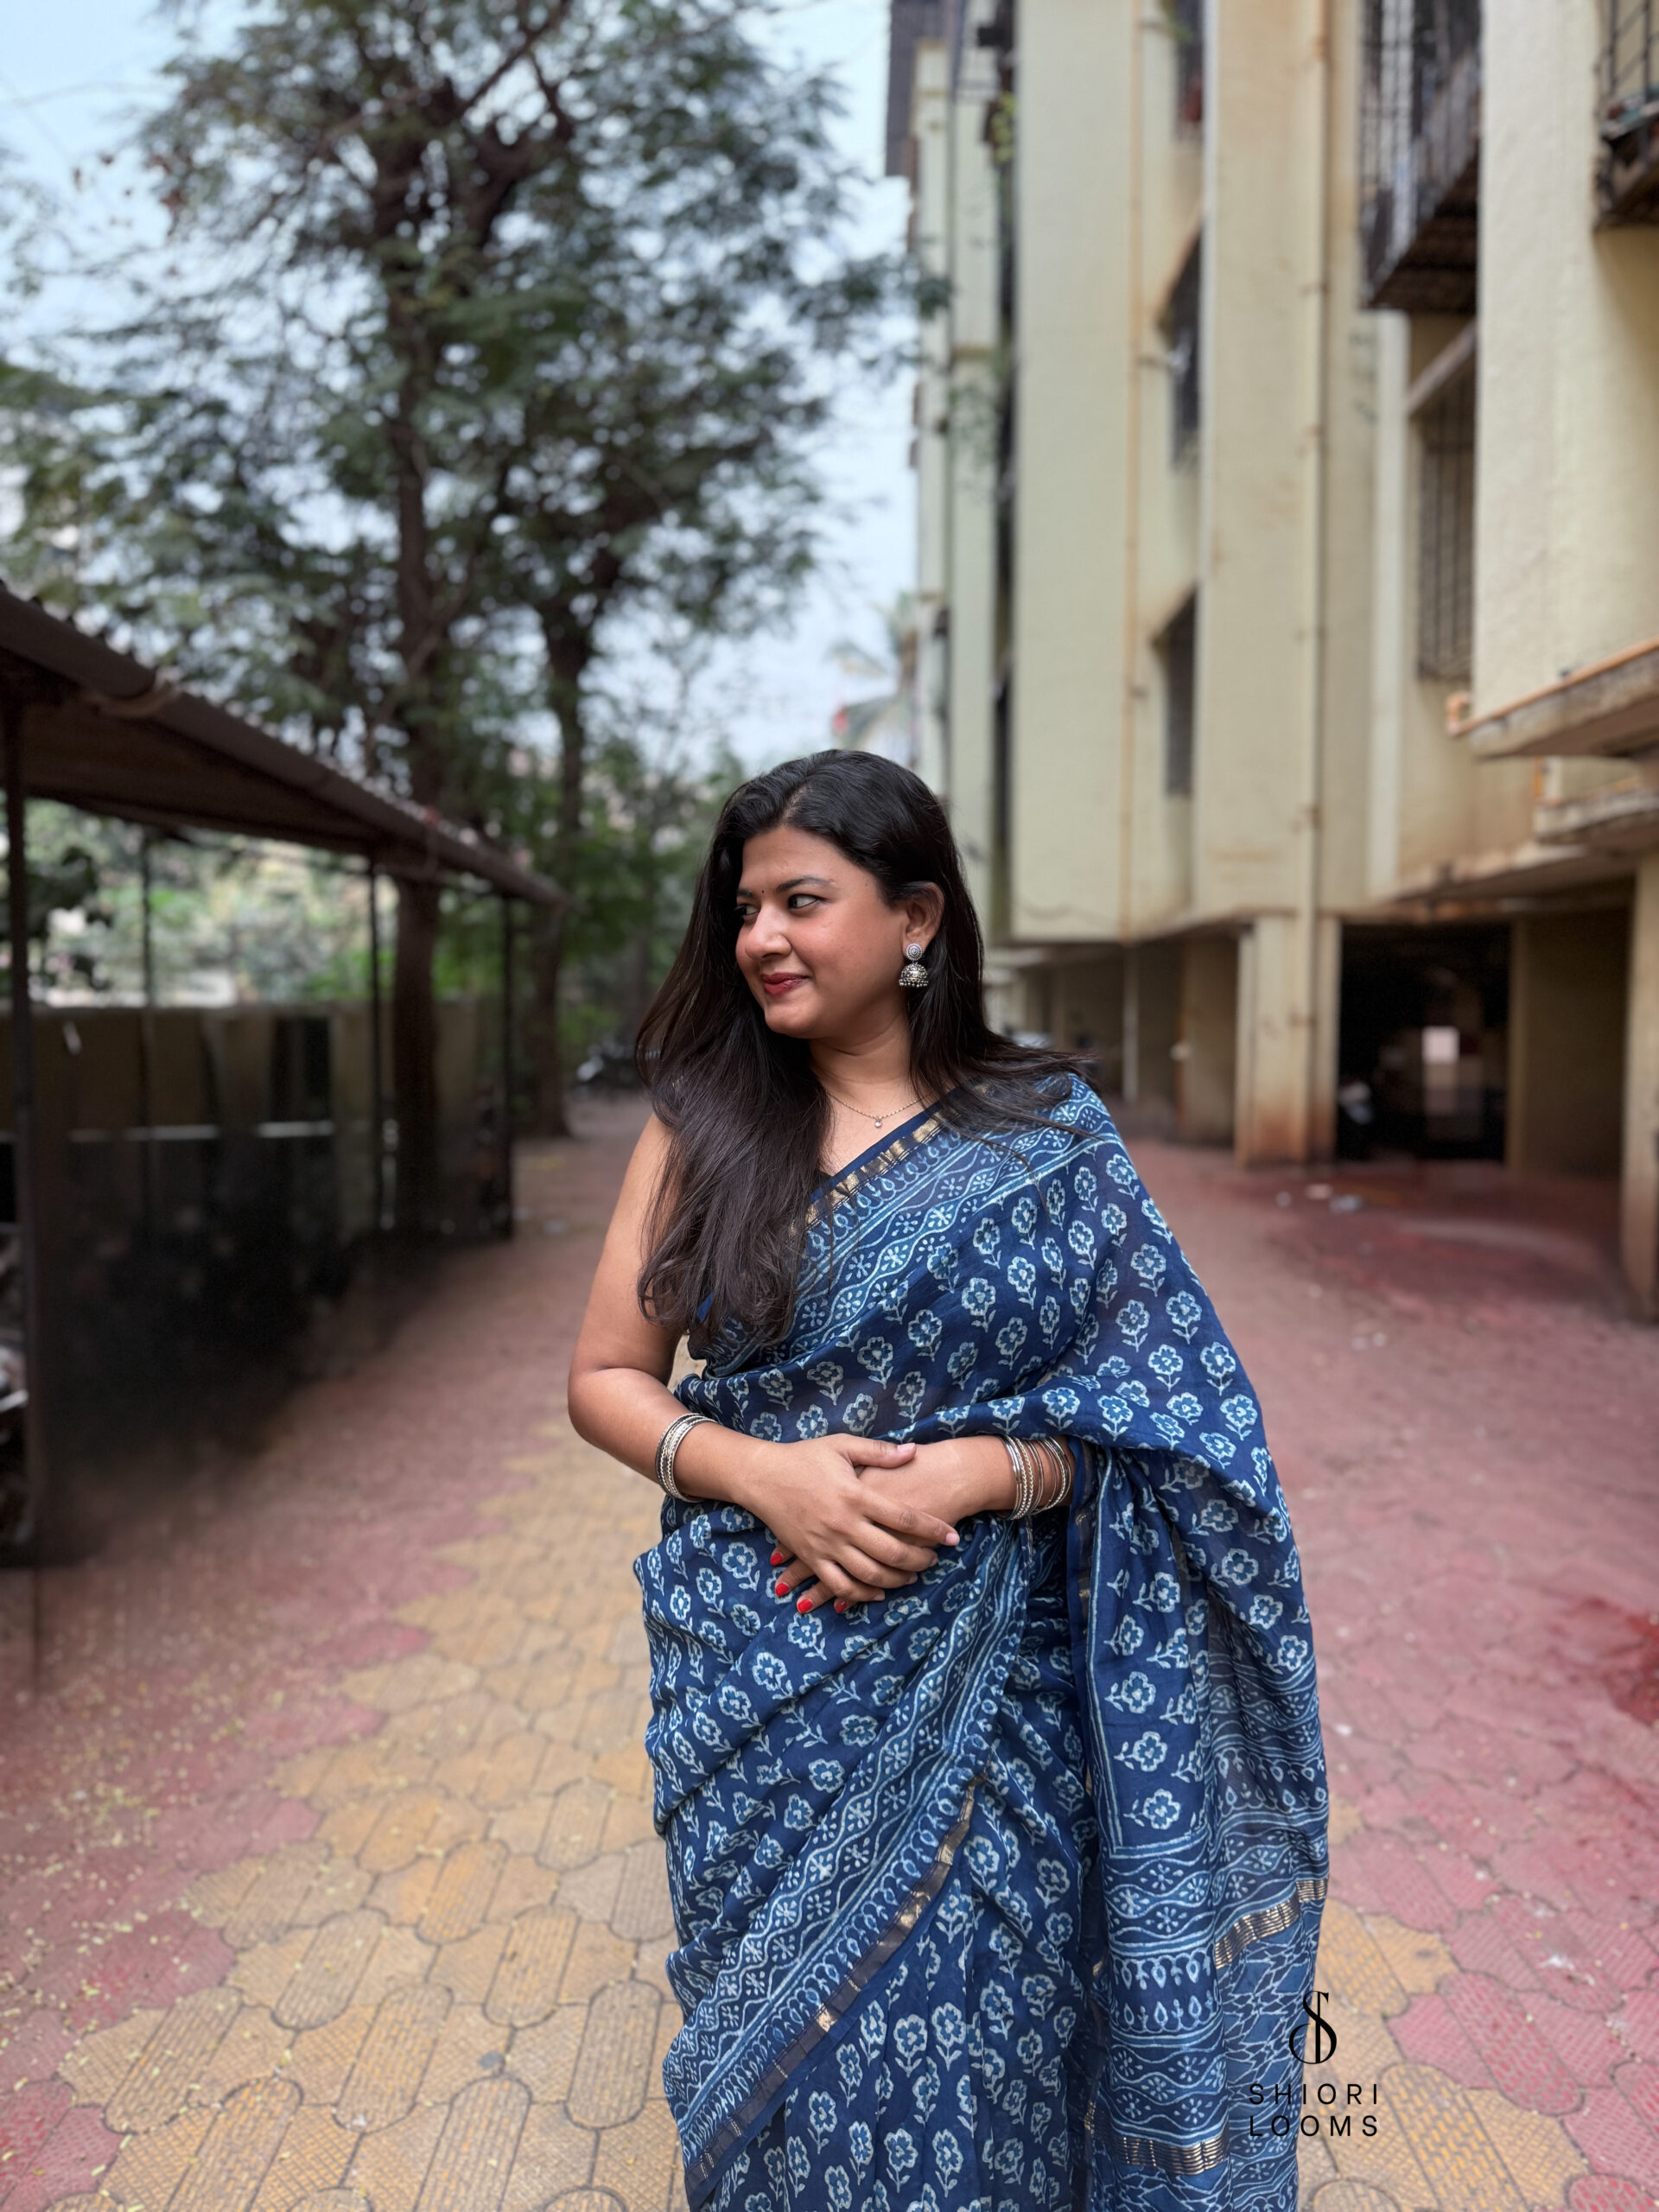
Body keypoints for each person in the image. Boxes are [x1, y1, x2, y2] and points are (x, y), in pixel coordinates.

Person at [569, 751, 1328, 2212]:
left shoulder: (1047, 1136)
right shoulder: (700, 1125)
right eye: (745, 909)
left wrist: (991, 1469)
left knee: (995, 2055)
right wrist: (766, 1476)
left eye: (802, 901)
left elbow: (1180, 1419)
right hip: (766, 1694)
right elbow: (606, 1377)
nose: (762, 938)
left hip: (1004, 1711)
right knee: (797, 2074)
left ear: (916, 918)